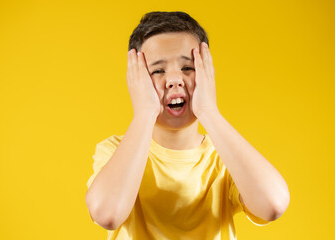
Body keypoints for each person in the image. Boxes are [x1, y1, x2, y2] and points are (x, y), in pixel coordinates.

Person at [85, 11, 290, 240]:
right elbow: (107, 213)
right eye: (158, 71)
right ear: (138, 79)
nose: (174, 79)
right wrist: (144, 113)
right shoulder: (114, 151)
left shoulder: (223, 156)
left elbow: (273, 203)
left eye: (188, 68)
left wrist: (209, 111)